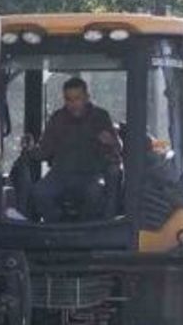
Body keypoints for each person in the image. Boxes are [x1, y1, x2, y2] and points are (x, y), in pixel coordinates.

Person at [25, 77, 122, 221]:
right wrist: (30, 149)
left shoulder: (100, 117)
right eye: (68, 99)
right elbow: (44, 150)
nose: (73, 104)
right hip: (60, 174)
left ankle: (87, 228)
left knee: (95, 192)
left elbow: (118, 148)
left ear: (87, 98)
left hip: (91, 174)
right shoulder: (58, 118)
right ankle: (56, 226)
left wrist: (111, 141)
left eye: (77, 98)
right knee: (40, 192)